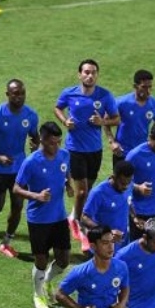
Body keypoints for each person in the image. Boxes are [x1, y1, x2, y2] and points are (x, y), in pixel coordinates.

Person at [53, 58, 119, 249]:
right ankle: (80, 226)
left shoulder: (105, 96)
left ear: (97, 75)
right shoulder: (70, 93)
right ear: (79, 74)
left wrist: (102, 122)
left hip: (95, 150)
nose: (90, 76)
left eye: (93, 73)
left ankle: (73, 216)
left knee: (87, 191)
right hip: (75, 149)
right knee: (81, 191)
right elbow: (58, 107)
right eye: (86, 72)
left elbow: (116, 118)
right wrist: (65, 121)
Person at [0, 79, 40, 257]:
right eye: (15, 94)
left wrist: (35, 146)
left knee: (18, 206)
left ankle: (6, 242)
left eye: (22, 93)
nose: (19, 97)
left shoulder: (31, 116)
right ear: (7, 95)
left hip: (19, 169)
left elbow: (35, 136)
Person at [12, 121, 73, 308]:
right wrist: (36, 196)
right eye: (52, 143)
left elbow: (65, 171)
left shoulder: (64, 155)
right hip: (38, 219)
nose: (56, 146)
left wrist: (68, 184)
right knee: (41, 260)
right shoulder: (31, 162)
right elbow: (16, 188)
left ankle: (47, 281)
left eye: (58, 142)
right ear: (43, 140)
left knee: (64, 260)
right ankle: (38, 295)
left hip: (59, 216)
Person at [106, 69, 155, 165]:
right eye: (144, 87)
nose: (148, 91)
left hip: (142, 152)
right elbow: (106, 122)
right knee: (121, 180)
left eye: (150, 87)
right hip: (122, 152)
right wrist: (112, 142)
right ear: (135, 86)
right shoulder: (121, 103)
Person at [81, 160, 135, 251]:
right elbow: (84, 218)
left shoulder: (128, 185)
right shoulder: (98, 193)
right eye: (122, 183)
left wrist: (135, 217)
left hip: (122, 243)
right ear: (113, 177)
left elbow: (127, 202)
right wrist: (106, 232)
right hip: (103, 245)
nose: (125, 187)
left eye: (128, 183)